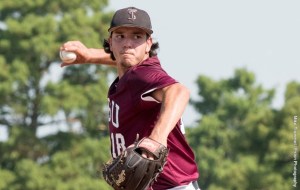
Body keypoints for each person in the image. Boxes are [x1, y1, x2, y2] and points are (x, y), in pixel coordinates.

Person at [60, 7, 200, 190]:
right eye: (120, 36)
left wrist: (156, 139)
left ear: (148, 44)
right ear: (110, 42)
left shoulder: (142, 75)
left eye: (137, 37)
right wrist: (90, 55)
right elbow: (125, 57)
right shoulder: (134, 73)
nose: (128, 43)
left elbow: (179, 91)